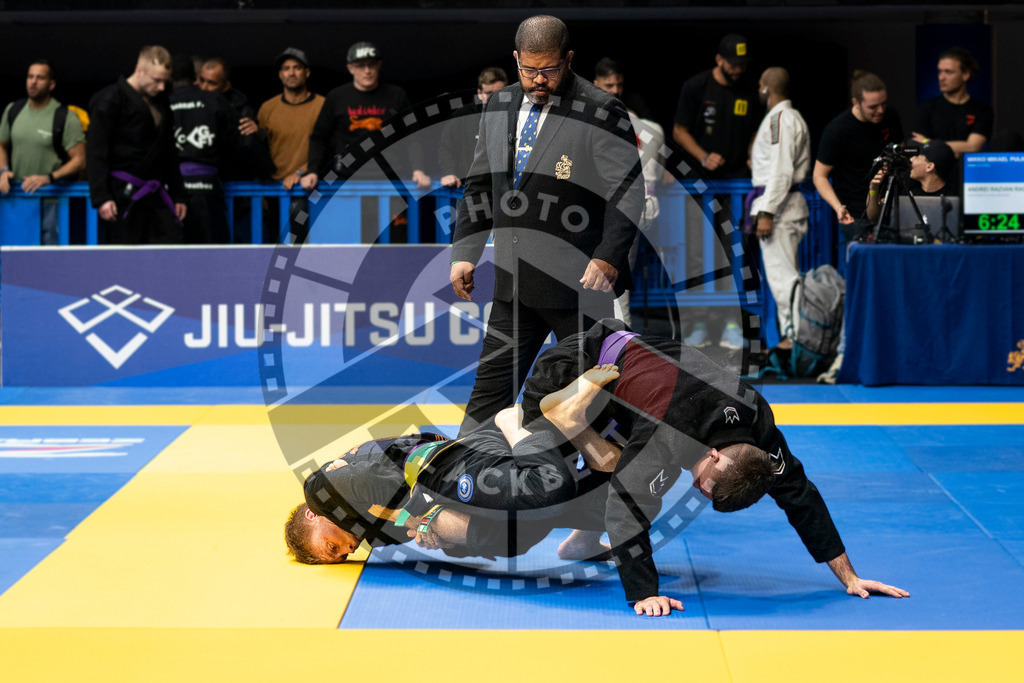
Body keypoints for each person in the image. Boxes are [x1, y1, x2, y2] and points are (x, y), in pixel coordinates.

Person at [519, 318, 908, 616]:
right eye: (706, 487)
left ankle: (580, 543)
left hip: (635, 391)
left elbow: (801, 497)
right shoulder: (667, 430)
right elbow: (626, 507)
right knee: (575, 475)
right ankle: (510, 424)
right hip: (575, 369)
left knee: (650, 478)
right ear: (716, 455)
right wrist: (644, 591)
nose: (698, 491)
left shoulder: (756, 423)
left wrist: (849, 576)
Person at [450, 14, 644, 438]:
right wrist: (464, 253)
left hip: (579, 284)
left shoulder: (600, 109)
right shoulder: (499, 105)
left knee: (599, 402)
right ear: (516, 58)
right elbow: (480, 183)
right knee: (486, 401)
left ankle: (622, 485)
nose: (539, 79)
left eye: (550, 69)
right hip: (513, 282)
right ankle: (460, 492)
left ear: (569, 59)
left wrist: (608, 256)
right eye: (529, 69)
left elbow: (626, 191)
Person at [288, 367, 624, 564]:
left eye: (333, 547)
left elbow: (378, 481)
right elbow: (419, 523)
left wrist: (425, 517)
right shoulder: (372, 535)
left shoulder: (321, 492)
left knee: (544, 485)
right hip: (444, 480)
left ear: (311, 516)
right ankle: (587, 528)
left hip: (443, 465)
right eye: (344, 556)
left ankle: (514, 424)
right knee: (511, 538)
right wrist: (441, 538)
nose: (349, 548)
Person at [672, 35, 762, 350]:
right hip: (701, 183)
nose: (738, 70)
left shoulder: (750, 89)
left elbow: (754, 130)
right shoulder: (697, 87)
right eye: (733, 64)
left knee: (733, 254)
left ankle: (732, 324)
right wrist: (703, 156)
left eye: (742, 64)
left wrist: (753, 154)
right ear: (719, 60)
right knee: (698, 254)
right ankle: (699, 323)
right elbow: (679, 130)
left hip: (736, 185)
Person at [592, 56, 667, 327]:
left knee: (612, 275)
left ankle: (618, 343)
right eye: (608, 85)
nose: (614, 90)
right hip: (634, 205)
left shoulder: (601, 123)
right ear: (596, 83)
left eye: (618, 85)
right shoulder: (648, 128)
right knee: (614, 275)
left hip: (622, 206)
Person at [87, 45, 187, 244]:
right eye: (156, 81)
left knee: (166, 251)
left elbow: (169, 152)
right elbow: (96, 151)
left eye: (165, 82)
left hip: (155, 192)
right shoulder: (110, 99)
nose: (161, 87)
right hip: (121, 195)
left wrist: (178, 195)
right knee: (126, 260)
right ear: (139, 70)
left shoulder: (162, 102)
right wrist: (102, 197)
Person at [301, 41, 430, 192]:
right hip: (347, 183)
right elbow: (319, 137)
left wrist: (418, 170)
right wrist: (313, 170)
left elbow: (412, 135)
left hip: (390, 182)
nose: (367, 70)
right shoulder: (337, 97)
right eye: (360, 66)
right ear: (350, 68)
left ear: (379, 65)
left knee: (391, 216)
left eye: (371, 64)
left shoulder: (397, 95)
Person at [749, 67, 811, 346]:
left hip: (780, 209)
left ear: (766, 88)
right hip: (784, 204)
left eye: (760, 85)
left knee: (784, 278)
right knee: (783, 277)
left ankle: (795, 339)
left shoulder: (781, 119)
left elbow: (781, 170)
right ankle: (793, 336)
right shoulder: (787, 118)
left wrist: (767, 210)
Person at [0, 59, 86, 245]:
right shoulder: (13, 110)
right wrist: (3, 170)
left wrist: (49, 178)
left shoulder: (64, 117)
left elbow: (80, 160)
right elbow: (1, 144)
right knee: (12, 256)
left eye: (40, 78)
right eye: (30, 77)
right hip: (15, 198)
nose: (33, 82)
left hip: (50, 201)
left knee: (46, 260)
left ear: (51, 84)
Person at [813, 71, 903, 230]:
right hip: (857, 214)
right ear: (856, 102)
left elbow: (901, 149)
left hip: (892, 206)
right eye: (873, 107)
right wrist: (838, 207)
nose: (880, 110)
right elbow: (819, 176)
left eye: (883, 103)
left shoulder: (890, 116)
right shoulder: (838, 130)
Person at [169, 54, 239, 243]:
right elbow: (234, 147)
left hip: (171, 190)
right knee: (212, 253)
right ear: (195, 78)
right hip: (206, 188)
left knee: (173, 254)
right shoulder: (215, 102)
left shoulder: (163, 103)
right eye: (202, 80)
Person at [256, 47, 324, 242]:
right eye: (286, 68)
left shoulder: (322, 105)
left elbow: (330, 148)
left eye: (297, 68)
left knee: (305, 252)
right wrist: (260, 189)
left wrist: (302, 171)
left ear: (307, 72)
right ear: (280, 74)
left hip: (309, 189)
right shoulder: (268, 108)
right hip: (274, 190)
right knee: (275, 253)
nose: (291, 73)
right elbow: (259, 151)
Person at [912, 47, 993, 157]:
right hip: (934, 169)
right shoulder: (926, 108)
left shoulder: (982, 110)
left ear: (965, 75)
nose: (941, 77)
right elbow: (920, 148)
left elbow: (973, 147)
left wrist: (929, 143)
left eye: (948, 72)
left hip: (967, 171)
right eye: (940, 71)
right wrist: (929, 146)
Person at [438, 66, 508, 189]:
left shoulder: (514, 115)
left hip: (502, 188)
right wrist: (449, 172)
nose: (494, 98)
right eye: (489, 93)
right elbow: (446, 145)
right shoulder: (463, 115)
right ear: (479, 94)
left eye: (499, 93)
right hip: (467, 188)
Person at [864, 139, 956, 224]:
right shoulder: (906, 188)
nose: (911, 159)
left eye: (918, 156)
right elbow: (874, 217)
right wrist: (873, 189)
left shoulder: (952, 201)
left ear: (929, 167)